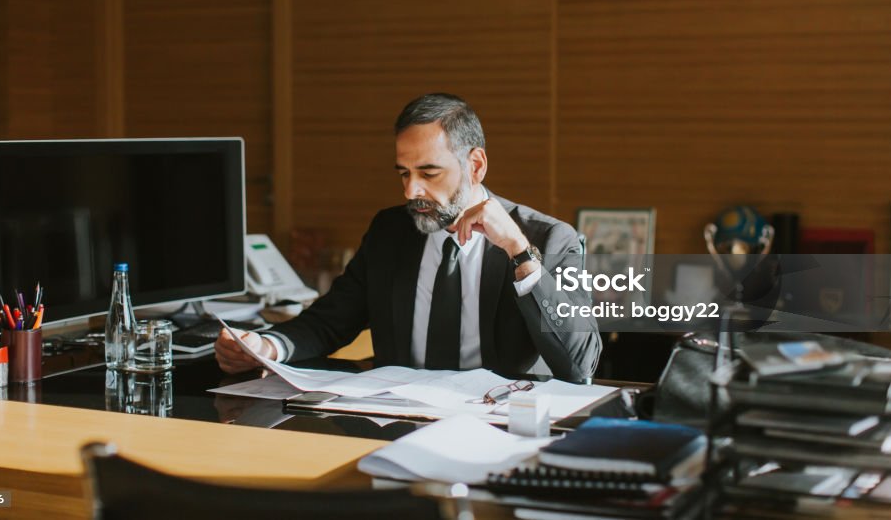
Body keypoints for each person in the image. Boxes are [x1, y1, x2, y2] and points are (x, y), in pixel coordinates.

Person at [215, 93, 601, 381]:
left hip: (496, 429)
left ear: (476, 165)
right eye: (404, 173)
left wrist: (519, 252)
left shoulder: (549, 240)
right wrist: (268, 347)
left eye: (429, 173)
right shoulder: (390, 231)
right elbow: (330, 321)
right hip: (395, 422)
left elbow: (580, 363)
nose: (410, 191)